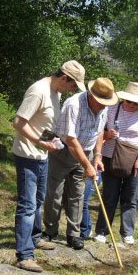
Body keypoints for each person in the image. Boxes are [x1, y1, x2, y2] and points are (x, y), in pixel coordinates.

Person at [12, 60, 86, 273]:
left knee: (37, 200)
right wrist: (40, 142)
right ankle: (24, 255)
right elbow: (18, 122)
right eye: (73, 86)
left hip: (41, 155)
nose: (73, 90)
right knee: (27, 205)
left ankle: (35, 238)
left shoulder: (57, 92)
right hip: (27, 155)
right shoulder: (38, 91)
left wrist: (50, 141)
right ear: (64, 78)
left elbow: (41, 122)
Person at [43, 77, 118, 250]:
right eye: (100, 102)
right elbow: (71, 139)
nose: (103, 106)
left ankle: (74, 234)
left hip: (85, 152)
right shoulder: (74, 104)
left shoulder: (103, 108)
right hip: (63, 150)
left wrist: (97, 156)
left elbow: (99, 132)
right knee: (55, 193)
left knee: (77, 194)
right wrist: (88, 165)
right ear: (91, 96)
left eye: (105, 103)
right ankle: (50, 231)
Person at [93, 82, 138, 245]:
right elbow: (99, 132)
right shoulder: (111, 108)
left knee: (129, 198)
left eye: (135, 103)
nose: (131, 105)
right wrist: (108, 134)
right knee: (109, 196)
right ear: (123, 99)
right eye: (128, 101)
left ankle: (127, 233)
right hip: (110, 156)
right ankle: (102, 232)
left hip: (135, 160)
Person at [80, 172, 102, 239]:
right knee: (79, 201)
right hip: (82, 172)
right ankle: (87, 227)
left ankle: (85, 231)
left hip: (93, 173)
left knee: (83, 201)